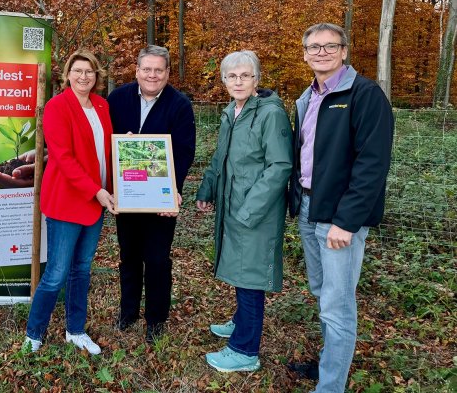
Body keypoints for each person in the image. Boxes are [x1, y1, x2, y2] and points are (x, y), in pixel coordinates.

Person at [287, 23, 393, 392]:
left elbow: (372, 165)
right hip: (308, 207)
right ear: (304, 54)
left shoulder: (365, 95)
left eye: (330, 46)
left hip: (338, 216)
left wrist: (346, 222)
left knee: (338, 304)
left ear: (344, 51)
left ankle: (331, 387)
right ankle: (329, 367)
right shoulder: (309, 97)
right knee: (321, 292)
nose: (322, 53)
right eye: (313, 47)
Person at [195, 51, 293, 372]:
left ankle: (244, 351)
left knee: (250, 275)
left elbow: (279, 166)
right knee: (239, 268)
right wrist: (207, 188)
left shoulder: (270, 114)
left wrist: (249, 209)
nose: (238, 81)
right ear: (224, 80)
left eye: (245, 76)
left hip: (256, 211)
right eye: (232, 76)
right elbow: (220, 158)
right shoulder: (230, 113)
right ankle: (240, 323)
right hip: (232, 205)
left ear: (257, 79)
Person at [23, 49, 117, 355]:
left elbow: (104, 149)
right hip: (68, 201)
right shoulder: (57, 106)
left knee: (82, 270)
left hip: (95, 202)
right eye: (77, 71)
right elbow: (63, 157)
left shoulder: (101, 106)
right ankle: (34, 333)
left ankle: (75, 330)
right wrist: (97, 191)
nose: (83, 76)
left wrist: (124, 154)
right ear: (68, 75)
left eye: (89, 72)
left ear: (97, 76)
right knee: (57, 274)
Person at [108, 45, 196, 342]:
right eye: (147, 69)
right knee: (128, 255)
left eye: (159, 70)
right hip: (128, 193)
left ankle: (156, 318)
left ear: (168, 73)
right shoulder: (118, 99)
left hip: (160, 199)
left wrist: (173, 192)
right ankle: (128, 311)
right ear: (137, 71)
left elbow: (184, 152)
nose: (152, 75)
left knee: (157, 259)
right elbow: (106, 143)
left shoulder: (179, 105)